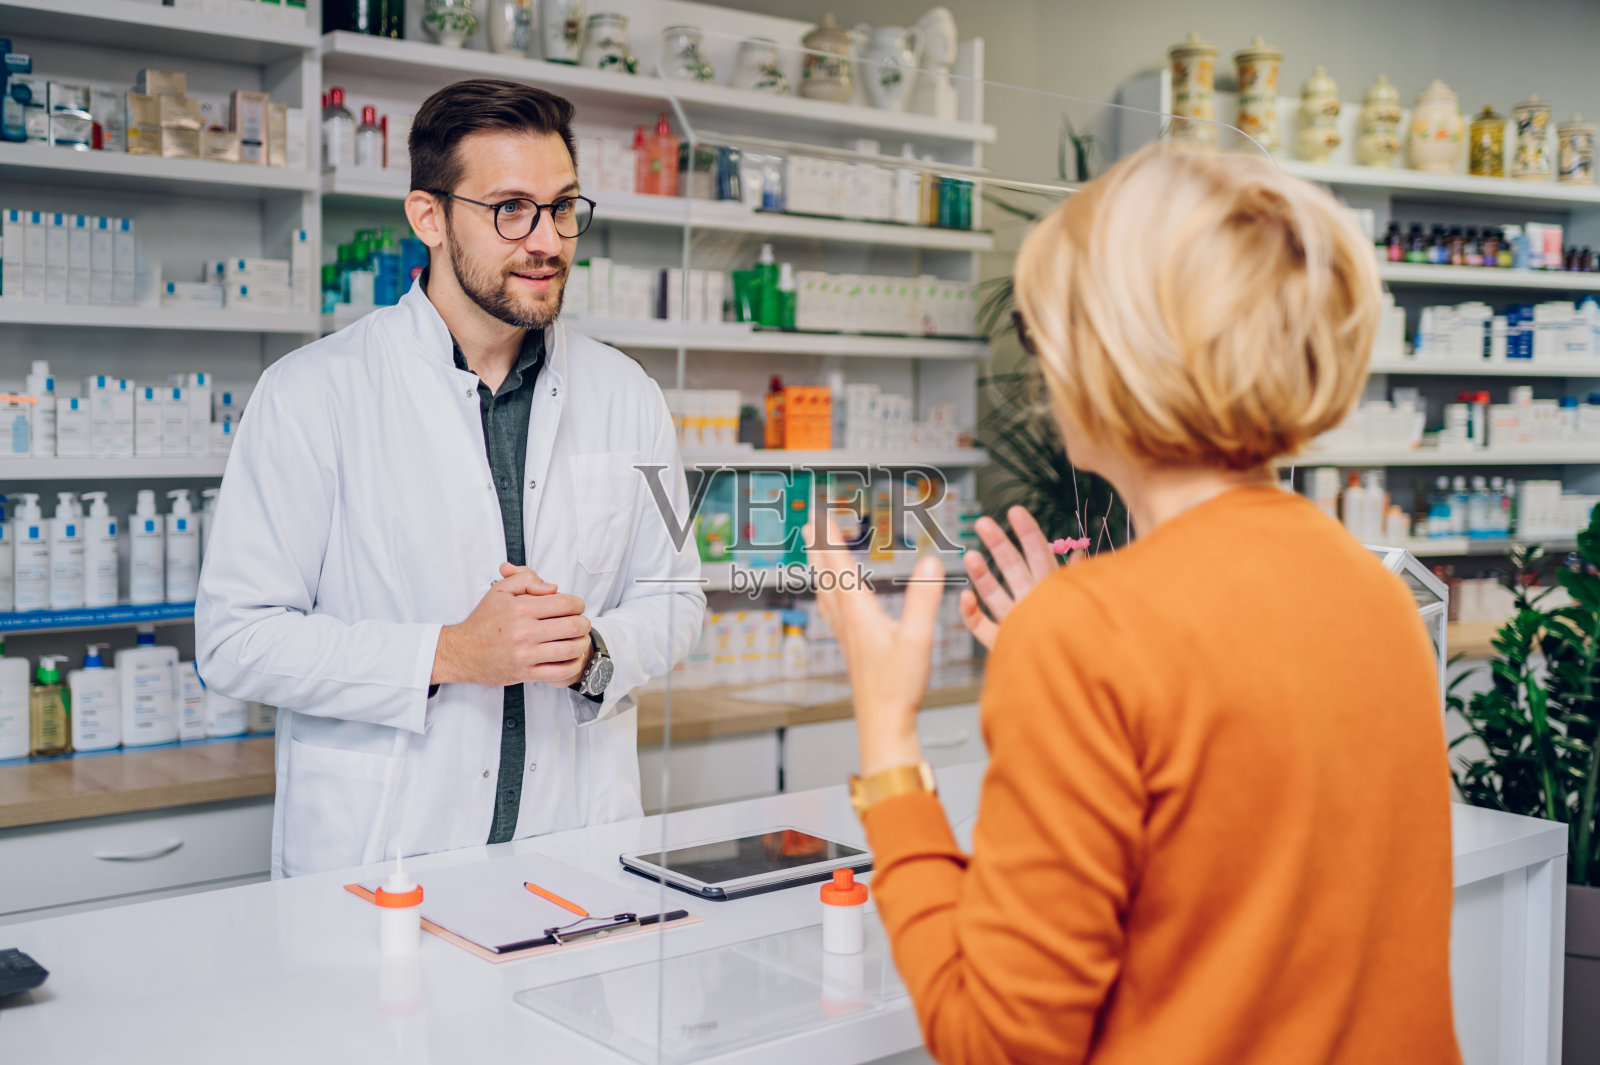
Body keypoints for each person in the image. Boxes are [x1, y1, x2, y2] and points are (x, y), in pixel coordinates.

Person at [810, 143, 1462, 1064]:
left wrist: (886, 735)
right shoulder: (1375, 593)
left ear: (1111, 357)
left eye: (1053, 335)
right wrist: (1068, 640)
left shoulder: (1091, 637)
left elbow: (995, 1042)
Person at [197, 79, 703, 879]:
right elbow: (236, 640)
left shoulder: (626, 394)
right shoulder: (312, 394)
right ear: (428, 217)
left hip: (575, 847)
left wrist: (594, 649)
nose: (548, 241)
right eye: (510, 209)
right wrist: (451, 653)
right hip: (385, 856)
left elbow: (676, 595)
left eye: (563, 207)